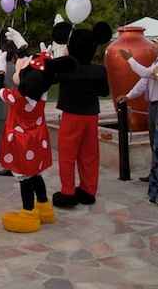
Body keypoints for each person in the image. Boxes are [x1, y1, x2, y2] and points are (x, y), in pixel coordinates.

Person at [0, 52, 75, 233]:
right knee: (35, 173)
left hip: (22, 141)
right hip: (37, 139)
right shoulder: (42, 93)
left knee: (24, 177)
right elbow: (41, 70)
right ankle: (44, 207)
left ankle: (28, 213)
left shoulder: (17, 98)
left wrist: (1, 70)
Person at [51, 21, 112, 208]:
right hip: (91, 115)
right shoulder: (99, 70)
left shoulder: (66, 67)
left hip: (71, 115)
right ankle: (88, 190)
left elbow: (51, 74)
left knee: (67, 155)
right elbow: (104, 92)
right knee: (90, 154)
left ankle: (68, 192)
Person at [117, 48, 158, 183]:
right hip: (153, 106)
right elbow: (144, 81)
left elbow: (144, 73)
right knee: (154, 141)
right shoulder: (156, 62)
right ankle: (154, 173)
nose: (155, 46)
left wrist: (129, 58)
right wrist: (128, 96)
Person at [0, 41, 19, 177]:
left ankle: (8, 166)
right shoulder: (17, 68)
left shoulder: (0, 69)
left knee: (3, 138)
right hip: (15, 108)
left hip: (3, 108)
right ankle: (16, 163)